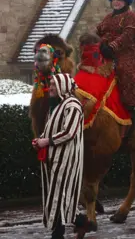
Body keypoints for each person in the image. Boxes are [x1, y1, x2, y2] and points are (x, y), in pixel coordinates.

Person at [32, 73, 86, 239]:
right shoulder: (57, 105)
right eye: (51, 84)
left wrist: (46, 141)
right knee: (59, 193)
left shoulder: (73, 105)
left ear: (63, 86)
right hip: (54, 157)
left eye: (54, 85)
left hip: (66, 159)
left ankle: (58, 233)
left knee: (58, 193)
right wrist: (40, 139)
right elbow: (52, 128)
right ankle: (80, 220)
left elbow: (69, 132)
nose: (51, 88)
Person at [96, 0, 135, 113]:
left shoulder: (131, 16)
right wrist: (98, 44)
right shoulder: (108, 17)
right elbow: (99, 33)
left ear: (126, 2)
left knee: (124, 69)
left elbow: (129, 35)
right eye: (114, 0)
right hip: (105, 50)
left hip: (126, 52)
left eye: (120, 0)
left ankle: (132, 102)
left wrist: (113, 46)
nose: (116, 2)